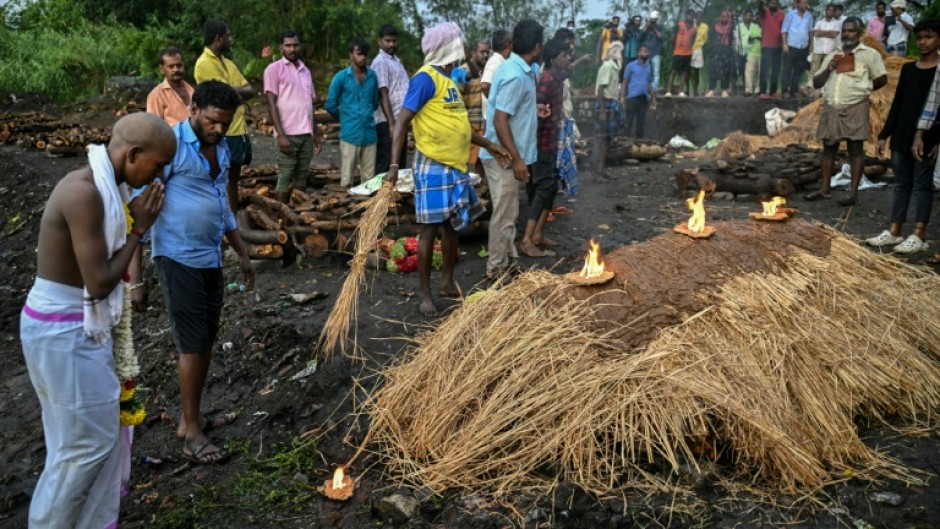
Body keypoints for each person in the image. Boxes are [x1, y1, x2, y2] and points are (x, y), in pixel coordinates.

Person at [21, 113, 173, 529]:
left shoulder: (109, 188)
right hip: (62, 330)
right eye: (159, 164)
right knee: (83, 448)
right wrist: (139, 228)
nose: (161, 174)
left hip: (75, 327)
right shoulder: (84, 192)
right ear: (133, 154)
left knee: (86, 441)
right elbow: (101, 281)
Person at [132, 81, 255, 465]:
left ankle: (194, 418)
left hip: (209, 258)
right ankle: (191, 435)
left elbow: (221, 205)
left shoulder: (220, 148)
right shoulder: (169, 147)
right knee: (190, 343)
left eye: (225, 123)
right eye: (213, 120)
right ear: (194, 108)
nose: (218, 129)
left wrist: (242, 251)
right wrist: (135, 278)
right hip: (177, 256)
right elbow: (142, 210)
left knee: (205, 340)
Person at [385, 22, 508, 315]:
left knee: (454, 226)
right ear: (448, 48)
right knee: (428, 231)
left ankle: (447, 283)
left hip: (455, 167)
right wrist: (393, 165)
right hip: (432, 165)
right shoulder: (425, 79)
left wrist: (488, 144)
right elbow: (402, 123)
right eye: (459, 44)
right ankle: (425, 294)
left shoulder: (449, 79)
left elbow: (459, 126)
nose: (463, 49)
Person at [867, 19, 940, 254]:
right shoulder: (909, 68)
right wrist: (884, 134)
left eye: (929, 36)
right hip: (902, 134)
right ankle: (894, 230)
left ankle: (918, 233)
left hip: (927, 137)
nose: (923, 42)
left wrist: (937, 139)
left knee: (922, 185)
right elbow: (898, 104)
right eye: (919, 37)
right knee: (901, 184)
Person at [480, 19, 545, 278]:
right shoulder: (516, 75)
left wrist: (534, 109)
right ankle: (495, 267)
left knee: (510, 211)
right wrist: (517, 160)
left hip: (506, 154)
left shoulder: (519, 70)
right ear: (537, 47)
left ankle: (507, 261)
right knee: (505, 213)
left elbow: (508, 110)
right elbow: (499, 119)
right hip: (503, 156)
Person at [805, 17, 888, 206]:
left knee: (855, 149)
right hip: (832, 105)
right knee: (828, 148)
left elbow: (882, 79)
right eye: (844, 30)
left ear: (859, 33)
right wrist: (830, 68)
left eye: (851, 31)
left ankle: (852, 194)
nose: (847, 34)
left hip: (856, 105)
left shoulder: (869, 54)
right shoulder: (833, 54)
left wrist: (863, 89)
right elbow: (817, 82)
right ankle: (824, 189)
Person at [195, 20, 255, 212]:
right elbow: (223, 98)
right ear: (219, 39)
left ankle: (231, 221)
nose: (231, 40)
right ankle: (220, 219)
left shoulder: (228, 63)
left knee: (233, 178)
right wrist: (234, 94)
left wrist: (232, 92)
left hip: (237, 128)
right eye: (228, 36)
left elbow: (249, 90)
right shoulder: (203, 64)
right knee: (218, 177)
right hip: (221, 131)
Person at [521, 38, 570, 259]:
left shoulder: (556, 79)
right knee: (542, 189)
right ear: (553, 59)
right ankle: (527, 240)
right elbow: (534, 115)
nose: (568, 58)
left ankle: (538, 234)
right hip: (540, 144)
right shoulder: (547, 81)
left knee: (549, 188)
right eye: (564, 55)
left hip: (549, 142)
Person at [263, 30, 322, 204]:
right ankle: (282, 217)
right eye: (288, 45)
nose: (292, 49)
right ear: (281, 47)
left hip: (306, 133)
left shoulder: (305, 71)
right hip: (287, 135)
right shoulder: (274, 69)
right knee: (285, 176)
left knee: (302, 177)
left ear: (300, 46)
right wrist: (281, 135)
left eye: (295, 45)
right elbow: (270, 103)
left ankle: (299, 216)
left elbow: (309, 104)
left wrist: (316, 133)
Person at [325, 38, 379, 187]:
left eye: (365, 55)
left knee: (369, 179)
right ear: (351, 55)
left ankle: (368, 209)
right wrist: (344, 118)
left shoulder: (372, 76)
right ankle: (345, 209)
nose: (362, 58)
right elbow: (330, 104)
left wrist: (365, 114)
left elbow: (374, 102)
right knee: (347, 177)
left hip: (369, 133)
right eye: (359, 54)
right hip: (350, 134)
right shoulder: (341, 78)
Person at [372, 24, 410, 175]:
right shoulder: (381, 61)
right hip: (387, 122)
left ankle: (395, 197)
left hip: (399, 121)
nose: (391, 44)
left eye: (394, 41)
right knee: (386, 163)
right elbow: (383, 93)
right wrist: (391, 124)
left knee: (399, 164)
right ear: (379, 41)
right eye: (387, 41)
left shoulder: (396, 62)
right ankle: (382, 197)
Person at [593, 40, 623, 177]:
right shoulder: (608, 66)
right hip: (605, 104)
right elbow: (601, 89)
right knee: (602, 139)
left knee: (606, 139)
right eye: (618, 51)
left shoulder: (614, 67)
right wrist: (603, 111)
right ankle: (598, 170)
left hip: (610, 104)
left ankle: (601, 169)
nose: (620, 53)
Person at [460, 39, 491, 172]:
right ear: (473, 53)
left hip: (485, 124)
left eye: (487, 52)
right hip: (469, 125)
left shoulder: (489, 71)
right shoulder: (463, 71)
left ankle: (481, 190)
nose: (485, 55)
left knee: (482, 163)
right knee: (465, 163)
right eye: (482, 52)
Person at [146, 47, 195, 127]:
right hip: (171, 139)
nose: (176, 69)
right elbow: (153, 127)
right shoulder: (156, 95)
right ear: (162, 69)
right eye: (171, 66)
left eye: (179, 65)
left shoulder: (191, 90)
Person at [621, 44, 657, 137]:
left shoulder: (648, 66)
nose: (646, 53)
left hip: (644, 98)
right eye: (644, 51)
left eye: (647, 52)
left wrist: (653, 98)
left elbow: (649, 83)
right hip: (632, 98)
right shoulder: (631, 66)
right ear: (638, 53)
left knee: (641, 123)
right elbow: (625, 82)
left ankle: (639, 144)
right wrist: (622, 97)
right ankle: (624, 143)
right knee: (628, 122)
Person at [781, 0, 814, 98]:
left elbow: (810, 31)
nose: (805, 5)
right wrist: (785, 44)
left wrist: (811, 44)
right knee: (787, 69)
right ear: (797, 4)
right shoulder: (790, 15)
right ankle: (784, 91)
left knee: (798, 69)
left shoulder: (809, 16)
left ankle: (794, 90)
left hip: (803, 47)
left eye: (806, 3)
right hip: (791, 46)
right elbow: (784, 30)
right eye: (803, 3)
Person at [665, 10, 697, 97]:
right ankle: (668, 91)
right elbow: (673, 36)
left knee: (685, 72)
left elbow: (693, 39)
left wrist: (690, 47)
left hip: (688, 52)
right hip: (678, 52)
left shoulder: (694, 28)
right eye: (689, 15)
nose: (690, 17)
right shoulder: (679, 24)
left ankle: (680, 91)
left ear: (694, 17)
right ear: (686, 15)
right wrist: (672, 43)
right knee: (673, 71)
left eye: (692, 15)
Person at [758, 0, 786, 99]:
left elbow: (784, 29)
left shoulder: (782, 14)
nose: (772, 5)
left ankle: (773, 92)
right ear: (768, 4)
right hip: (766, 45)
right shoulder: (765, 12)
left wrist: (784, 44)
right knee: (764, 70)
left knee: (776, 71)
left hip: (778, 46)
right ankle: (762, 92)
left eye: (774, 3)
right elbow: (760, 9)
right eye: (771, 3)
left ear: (777, 4)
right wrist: (761, 2)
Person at [705, 10, 736, 97]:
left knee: (726, 71)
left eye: (726, 16)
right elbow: (710, 40)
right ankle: (711, 90)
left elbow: (732, 41)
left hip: (726, 53)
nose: (724, 18)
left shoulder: (730, 29)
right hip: (716, 52)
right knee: (713, 71)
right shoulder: (714, 27)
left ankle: (724, 90)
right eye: (722, 16)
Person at [813, 5, 841, 90]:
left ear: (834, 12)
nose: (830, 12)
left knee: (827, 70)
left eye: (832, 10)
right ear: (825, 11)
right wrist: (829, 32)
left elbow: (834, 35)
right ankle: (813, 89)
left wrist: (822, 32)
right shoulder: (819, 22)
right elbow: (816, 33)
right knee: (815, 70)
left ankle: (824, 90)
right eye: (828, 10)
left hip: (829, 50)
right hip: (818, 49)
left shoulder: (837, 23)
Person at [481, 28, 512, 100]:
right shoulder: (495, 62)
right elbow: (485, 86)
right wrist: (498, 103)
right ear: (508, 45)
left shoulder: (501, 61)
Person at [737, 10, 762, 95]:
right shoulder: (753, 27)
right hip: (751, 52)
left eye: (760, 18)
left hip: (762, 52)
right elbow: (749, 38)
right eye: (747, 15)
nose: (759, 19)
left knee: (761, 72)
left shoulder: (764, 27)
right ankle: (748, 90)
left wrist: (759, 38)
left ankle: (758, 90)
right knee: (748, 72)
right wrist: (757, 37)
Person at [641, 11, 665, 92]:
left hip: (656, 53)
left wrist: (654, 28)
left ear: (657, 19)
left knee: (656, 72)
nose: (652, 21)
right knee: (645, 71)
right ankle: (645, 88)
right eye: (651, 19)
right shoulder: (646, 27)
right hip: (646, 53)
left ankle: (654, 90)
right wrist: (646, 27)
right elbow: (639, 37)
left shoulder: (660, 27)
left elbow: (662, 38)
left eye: (654, 20)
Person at [690, 12, 709, 96]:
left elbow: (705, 40)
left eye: (700, 17)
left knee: (696, 71)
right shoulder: (691, 25)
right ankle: (686, 89)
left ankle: (695, 90)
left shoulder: (705, 27)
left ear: (702, 18)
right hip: (689, 49)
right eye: (697, 17)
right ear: (695, 17)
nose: (699, 18)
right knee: (687, 70)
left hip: (699, 49)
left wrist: (703, 50)